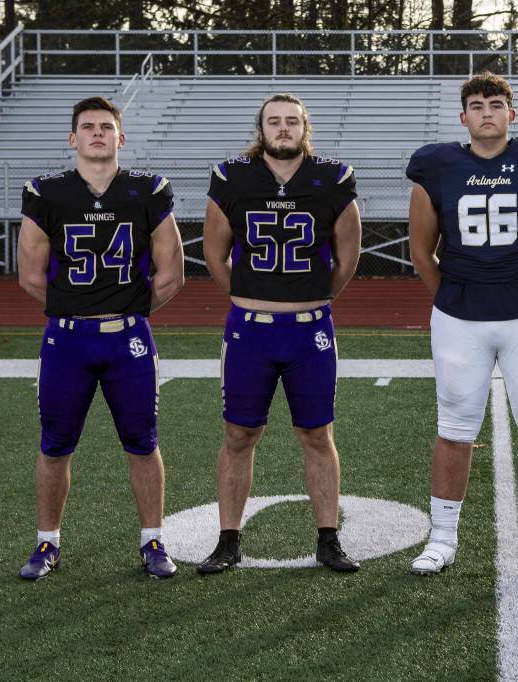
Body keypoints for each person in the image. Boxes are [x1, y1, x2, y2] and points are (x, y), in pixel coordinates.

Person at [405, 72, 518, 576]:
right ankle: (441, 538)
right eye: (476, 105)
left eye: (495, 103)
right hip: (459, 316)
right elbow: (422, 252)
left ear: (512, 113)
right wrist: (452, 295)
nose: (486, 111)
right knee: (454, 428)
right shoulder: (436, 166)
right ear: (462, 117)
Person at [16, 96, 185, 580]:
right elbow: (30, 273)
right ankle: (47, 543)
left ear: (120, 138)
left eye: (106, 127)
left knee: (142, 441)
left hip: (127, 340)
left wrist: (126, 312)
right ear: (73, 138)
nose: (96, 134)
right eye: (87, 127)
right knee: (55, 443)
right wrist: (78, 311)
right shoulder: (48, 193)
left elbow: (171, 272)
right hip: (67, 339)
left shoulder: (147, 190)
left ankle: (152, 539)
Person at [197, 93, 362, 574]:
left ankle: (328, 539)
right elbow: (214, 253)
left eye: (292, 121)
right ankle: (229, 539)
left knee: (316, 433)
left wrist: (313, 298)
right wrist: (251, 297)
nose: (283, 129)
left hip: (310, 331)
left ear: (305, 127)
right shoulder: (232, 177)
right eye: (275, 121)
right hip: (250, 331)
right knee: (238, 433)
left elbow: (348, 256)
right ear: (261, 129)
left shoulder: (332, 177)